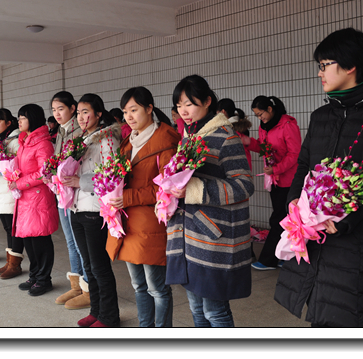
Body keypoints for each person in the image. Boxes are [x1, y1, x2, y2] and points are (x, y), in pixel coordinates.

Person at [274, 28, 363, 328]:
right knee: (323, 319)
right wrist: (294, 205)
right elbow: (304, 165)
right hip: (316, 241)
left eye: (325, 65)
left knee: (358, 323)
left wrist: (349, 214)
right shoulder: (322, 116)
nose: (319, 73)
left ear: (350, 65)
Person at [167, 75, 254, 327]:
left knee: (214, 311)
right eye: (179, 105)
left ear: (207, 101)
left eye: (189, 104)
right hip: (188, 235)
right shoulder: (189, 136)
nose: (183, 111)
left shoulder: (225, 137)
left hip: (211, 238)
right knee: (196, 308)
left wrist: (193, 190)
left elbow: (244, 185)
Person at [105, 87, 180, 327]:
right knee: (138, 286)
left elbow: (167, 187)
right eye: (126, 111)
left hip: (150, 223)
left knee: (157, 287)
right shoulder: (130, 140)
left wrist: (128, 197)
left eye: (134, 110)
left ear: (149, 108)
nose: (129, 116)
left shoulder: (165, 140)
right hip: (127, 222)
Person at [63, 93, 121, 328]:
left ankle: (110, 316)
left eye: (86, 112)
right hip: (77, 207)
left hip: (95, 208)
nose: (81, 117)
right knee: (88, 265)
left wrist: (80, 182)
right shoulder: (80, 139)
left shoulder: (108, 140)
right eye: (78, 113)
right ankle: (96, 310)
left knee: (99, 266)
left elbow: (113, 175)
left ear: (99, 114)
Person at [243, 95, 301, 270]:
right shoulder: (265, 127)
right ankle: (284, 256)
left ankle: (270, 259)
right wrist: (248, 142)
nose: (260, 118)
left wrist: (276, 169)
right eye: (257, 115)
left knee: (279, 218)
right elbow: (263, 146)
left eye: (261, 114)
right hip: (275, 180)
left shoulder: (288, 125)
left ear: (270, 109)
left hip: (289, 179)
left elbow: (295, 154)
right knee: (282, 217)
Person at [11, 104, 59, 296]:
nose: (19, 121)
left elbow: (44, 173)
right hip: (25, 198)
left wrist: (20, 183)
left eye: (22, 117)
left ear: (33, 118)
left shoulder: (43, 143)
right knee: (29, 241)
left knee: (40, 240)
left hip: (38, 198)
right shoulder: (25, 141)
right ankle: (34, 275)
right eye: (19, 117)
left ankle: (44, 279)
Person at [48, 91, 90, 309]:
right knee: (71, 242)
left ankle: (87, 289)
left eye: (61, 109)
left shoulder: (79, 131)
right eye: (54, 110)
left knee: (80, 242)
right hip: (61, 192)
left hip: (76, 194)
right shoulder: (61, 132)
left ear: (72, 108)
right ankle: (76, 286)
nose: (56, 114)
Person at [0, 108, 23, 279]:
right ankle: (10, 261)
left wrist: (0, 168)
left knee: (13, 228)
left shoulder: (15, 140)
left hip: (10, 189)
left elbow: (17, 165)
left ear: (9, 123)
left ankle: (15, 265)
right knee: (7, 228)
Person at [217, 98, 253, 169]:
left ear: (223, 112)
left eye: (217, 112)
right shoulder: (239, 126)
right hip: (243, 167)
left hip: (237, 169)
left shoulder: (229, 129)